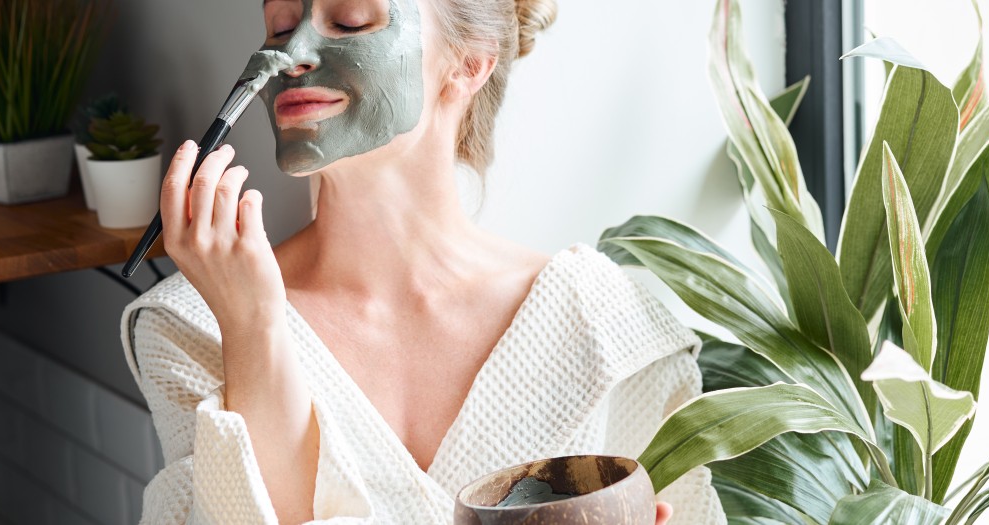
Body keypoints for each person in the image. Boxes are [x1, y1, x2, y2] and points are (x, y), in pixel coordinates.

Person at [119, 0, 724, 522]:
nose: (293, 54)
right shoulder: (195, 326)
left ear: (468, 63)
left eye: (351, 21)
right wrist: (253, 325)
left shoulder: (607, 323)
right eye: (278, 26)